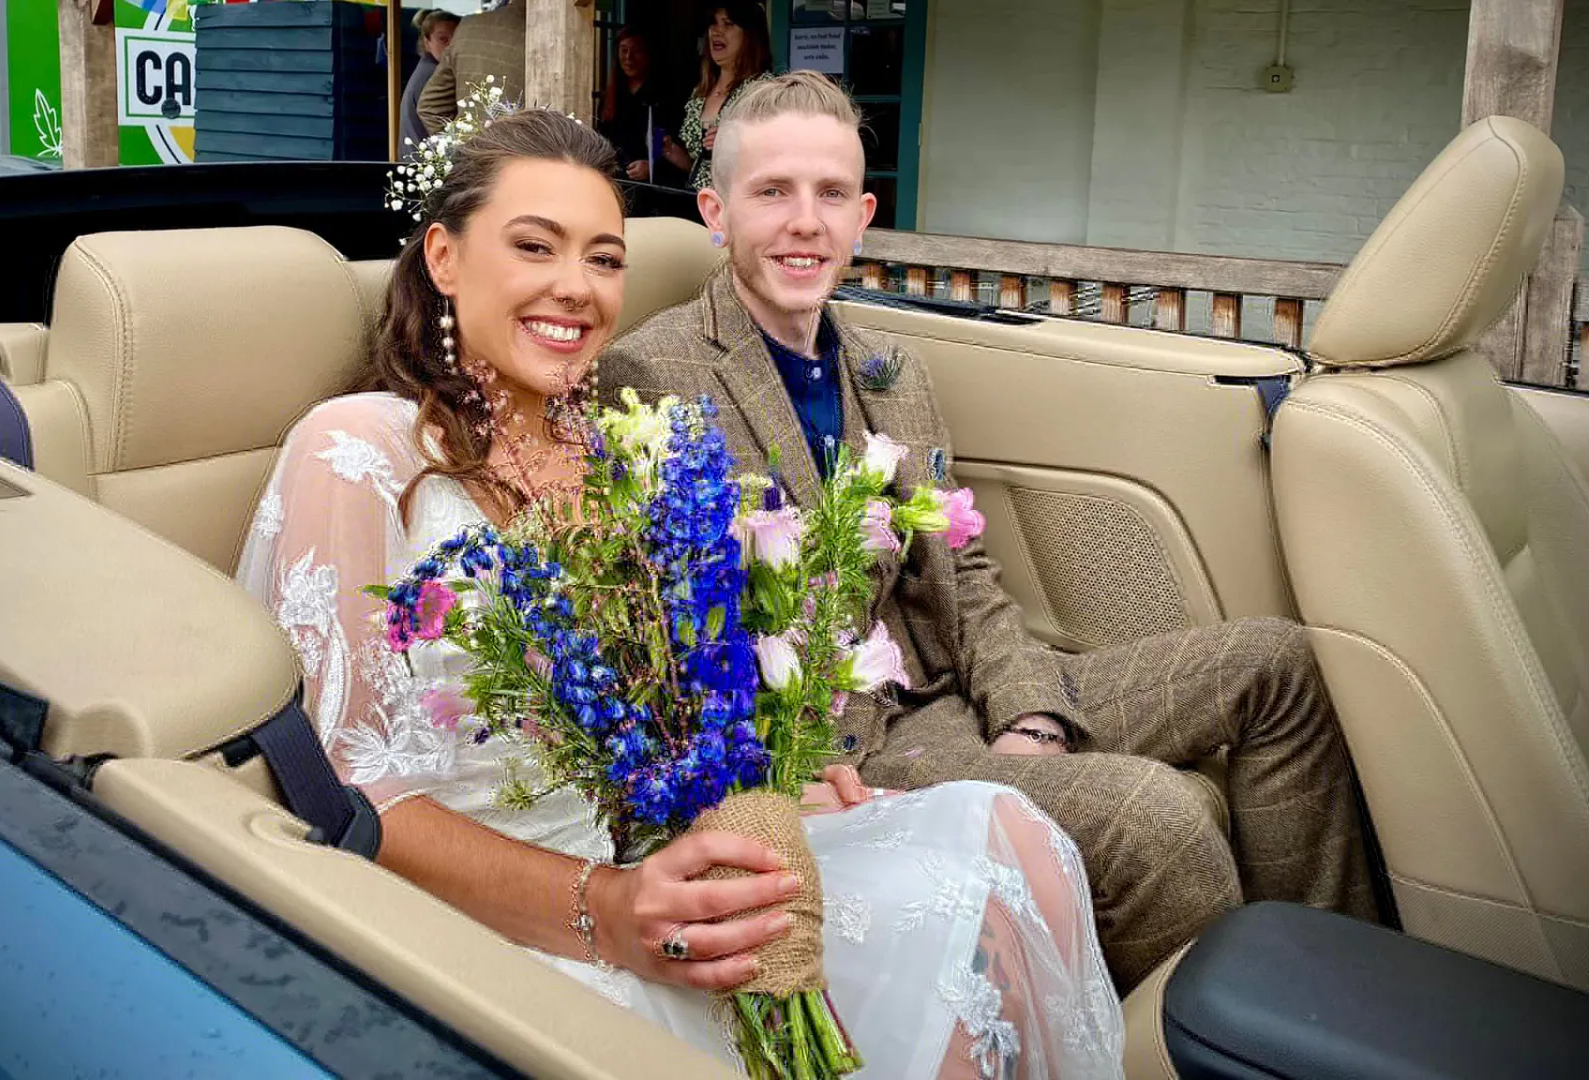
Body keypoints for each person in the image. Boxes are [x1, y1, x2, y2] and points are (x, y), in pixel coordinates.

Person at [238, 108, 1123, 1078]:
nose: (576, 288)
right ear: (445, 258)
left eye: (605, 258)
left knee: (1004, 841)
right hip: (482, 927)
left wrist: (762, 783)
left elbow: (658, 721)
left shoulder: (615, 456)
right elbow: (356, 796)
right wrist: (608, 912)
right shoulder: (357, 447)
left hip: (639, 862)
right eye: (535, 246)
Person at [600, 72, 1380, 994]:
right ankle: (1216, 1038)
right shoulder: (653, 374)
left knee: (1281, 665)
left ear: (863, 217)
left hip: (960, 684)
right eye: (772, 192)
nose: (805, 222)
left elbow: (965, 569)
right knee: (1155, 818)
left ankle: (1331, 997)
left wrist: (1028, 714)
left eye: (832, 194)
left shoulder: (895, 371)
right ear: (716, 211)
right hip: (858, 740)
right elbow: (672, 638)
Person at [663, 3, 773, 192]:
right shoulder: (701, 91)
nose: (716, 31)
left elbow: (776, 152)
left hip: (737, 202)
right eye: (713, 24)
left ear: (749, 36)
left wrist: (734, 143)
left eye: (728, 24)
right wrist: (676, 154)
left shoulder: (764, 91)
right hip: (697, 203)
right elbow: (703, 166)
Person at [417, 0, 524, 138]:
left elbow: (429, 107)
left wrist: (456, 146)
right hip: (527, 151)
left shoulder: (469, 27)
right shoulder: (546, 30)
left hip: (473, 152)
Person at [597, 27, 678, 187]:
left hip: (650, 186)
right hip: (615, 180)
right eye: (623, 50)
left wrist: (652, 165)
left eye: (636, 51)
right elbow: (602, 136)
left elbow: (665, 141)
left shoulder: (663, 97)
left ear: (648, 54)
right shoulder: (612, 95)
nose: (628, 58)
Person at [400, 9, 460, 159]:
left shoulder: (426, 69)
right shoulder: (434, 75)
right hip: (424, 168)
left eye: (456, 39)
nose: (450, 45)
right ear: (427, 42)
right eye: (443, 39)